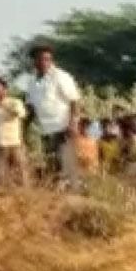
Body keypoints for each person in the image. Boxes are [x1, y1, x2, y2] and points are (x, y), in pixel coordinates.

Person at [23, 46, 81, 183]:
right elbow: (30, 108)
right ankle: (57, 194)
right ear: (34, 62)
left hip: (63, 128)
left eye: (47, 59)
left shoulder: (61, 76)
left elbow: (75, 101)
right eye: (40, 59)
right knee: (51, 164)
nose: (44, 62)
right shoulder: (32, 82)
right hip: (45, 130)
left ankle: (73, 192)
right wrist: (23, 129)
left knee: (64, 163)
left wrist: (73, 124)